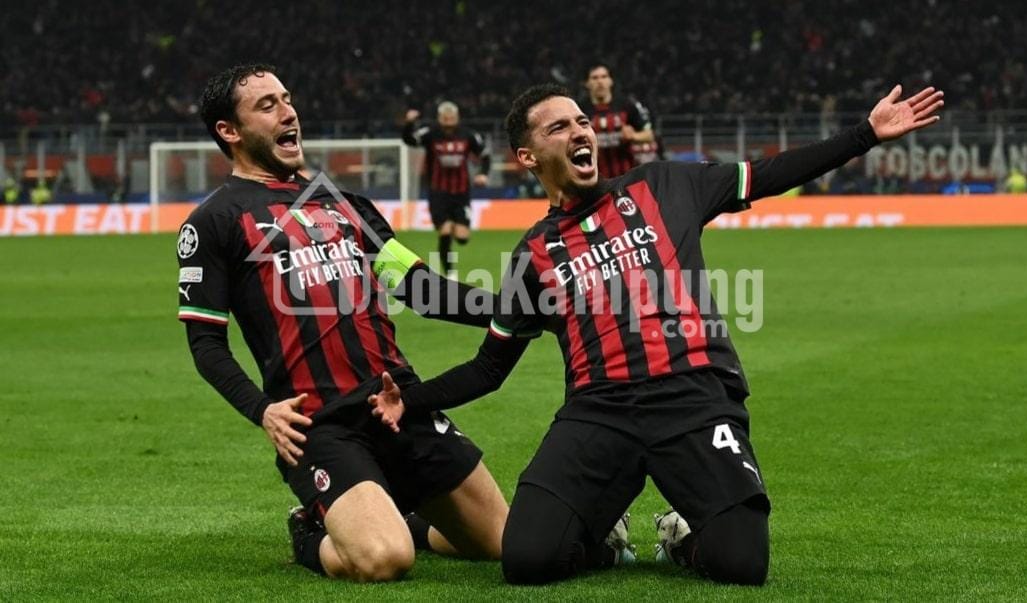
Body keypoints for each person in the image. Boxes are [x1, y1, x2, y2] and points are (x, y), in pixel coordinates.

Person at [370, 82, 944, 585]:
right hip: (599, 411)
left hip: (695, 398)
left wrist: (864, 134)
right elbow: (489, 367)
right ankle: (604, 534)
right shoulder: (534, 254)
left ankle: (679, 533)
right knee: (527, 560)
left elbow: (769, 175)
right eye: (558, 127)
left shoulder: (666, 186)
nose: (580, 131)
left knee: (742, 563)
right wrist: (408, 400)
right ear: (528, 155)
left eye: (582, 122)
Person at [178, 64, 508, 582]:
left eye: (287, 99)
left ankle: (402, 522)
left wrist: (515, 308)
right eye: (267, 105)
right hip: (322, 422)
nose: (288, 112)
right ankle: (311, 533)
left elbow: (420, 290)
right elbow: (206, 344)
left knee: (501, 543)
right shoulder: (214, 223)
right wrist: (262, 411)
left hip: (398, 401)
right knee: (383, 560)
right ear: (229, 130)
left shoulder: (347, 206)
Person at [402, 101, 491, 276]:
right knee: (445, 230)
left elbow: (485, 154)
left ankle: (454, 240)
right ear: (440, 118)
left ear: (457, 118)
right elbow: (410, 140)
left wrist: (483, 173)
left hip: (461, 193)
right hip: (438, 193)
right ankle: (450, 272)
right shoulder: (431, 133)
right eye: (445, 118)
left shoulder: (468, 135)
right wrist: (409, 123)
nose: (449, 122)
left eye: (451, 118)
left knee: (462, 237)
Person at [581, 63, 656, 178]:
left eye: (604, 77)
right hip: (595, 179)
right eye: (595, 78)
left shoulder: (627, 105)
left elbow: (650, 135)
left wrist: (633, 136)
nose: (600, 81)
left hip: (626, 177)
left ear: (610, 81)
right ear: (587, 83)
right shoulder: (580, 110)